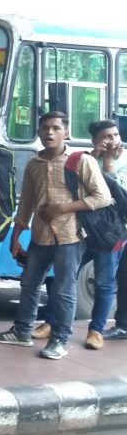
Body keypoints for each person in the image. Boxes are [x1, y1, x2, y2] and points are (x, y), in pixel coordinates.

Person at [0, 111, 111, 360]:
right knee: (29, 284)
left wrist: (64, 208)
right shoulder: (34, 163)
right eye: (45, 128)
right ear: (39, 132)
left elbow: (103, 197)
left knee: (64, 290)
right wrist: (16, 236)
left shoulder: (81, 161)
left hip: (71, 236)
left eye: (55, 128)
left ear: (66, 132)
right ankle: (22, 331)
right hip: (40, 236)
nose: (49, 133)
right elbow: (28, 203)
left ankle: (59, 340)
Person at [81, 119, 127, 349]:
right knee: (67, 274)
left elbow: (118, 196)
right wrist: (93, 157)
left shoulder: (125, 160)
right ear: (95, 141)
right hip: (87, 230)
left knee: (118, 280)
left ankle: (120, 326)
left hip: (117, 232)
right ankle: (53, 322)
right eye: (107, 137)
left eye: (116, 135)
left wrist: (108, 164)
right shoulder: (87, 160)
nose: (113, 141)